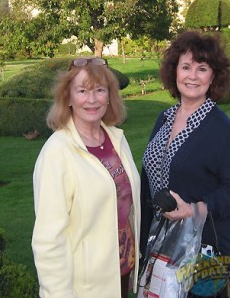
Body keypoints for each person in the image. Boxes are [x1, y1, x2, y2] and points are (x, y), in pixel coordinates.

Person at [140, 31, 230, 295]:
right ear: (174, 71)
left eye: (202, 68)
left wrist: (193, 210)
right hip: (160, 244)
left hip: (203, 249)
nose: (192, 76)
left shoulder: (222, 131)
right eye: (186, 67)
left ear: (213, 76)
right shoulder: (164, 118)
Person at [32, 57, 140, 298]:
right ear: (68, 97)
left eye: (100, 90)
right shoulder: (57, 153)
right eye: (82, 91)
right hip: (86, 288)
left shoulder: (116, 139)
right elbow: (48, 240)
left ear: (109, 96)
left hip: (121, 272)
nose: (92, 100)